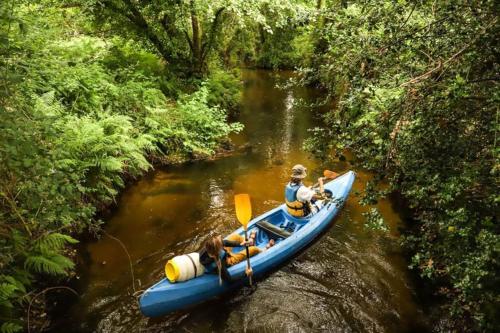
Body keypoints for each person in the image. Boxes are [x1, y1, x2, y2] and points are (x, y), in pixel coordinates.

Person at [199, 230, 274, 284]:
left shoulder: (209, 246)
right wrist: (246, 274)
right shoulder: (218, 264)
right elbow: (230, 280)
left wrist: (241, 244)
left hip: (223, 253)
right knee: (253, 249)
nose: (221, 238)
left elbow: (224, 242)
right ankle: (264, 250)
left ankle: (249, 243)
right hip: (228, 260)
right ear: (219, 249)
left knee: (235, 236)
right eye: (220, 240)